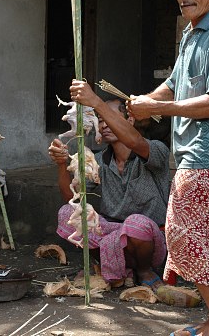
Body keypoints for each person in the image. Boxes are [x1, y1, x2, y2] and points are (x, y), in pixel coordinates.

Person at [127, 0, 209, 335]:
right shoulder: (192, 34)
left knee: (186, 234)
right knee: (206, 239)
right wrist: (145, 100)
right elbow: (176, 84)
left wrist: (157, 108)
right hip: (194, 156)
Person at [49, 82, 170, 289]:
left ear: (130, 120)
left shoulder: (155, 150)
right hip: (112, 236)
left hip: (149, 241)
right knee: (67, 212)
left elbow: (135, 142)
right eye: (101, 120)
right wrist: (61, 165)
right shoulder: (97, 162)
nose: (104, 125)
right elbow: (72, 197)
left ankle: (144, 271)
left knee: (136, 224)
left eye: (110, 119)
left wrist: (95, 101)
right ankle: (106, 264)